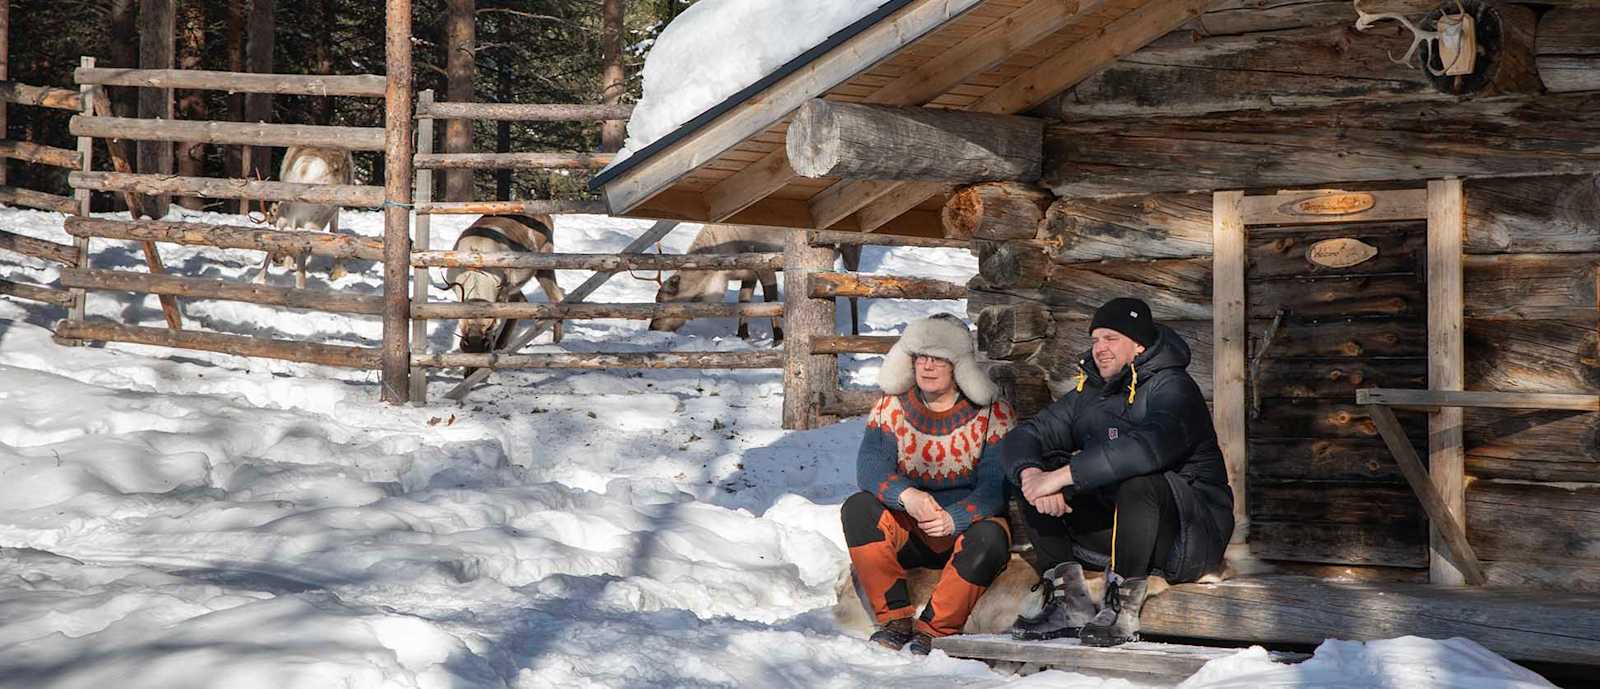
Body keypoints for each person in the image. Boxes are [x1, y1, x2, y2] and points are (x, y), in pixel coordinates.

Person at [999, 298, 1233, 647]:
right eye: (1095, 340)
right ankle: (1069, 604)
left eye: (1111, 338)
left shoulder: (1174, 388)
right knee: (1028, 473)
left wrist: (1062, 477)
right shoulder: (1090, 393)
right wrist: (1033, 475)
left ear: (1139, 344)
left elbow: (1146, 449)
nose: (1099, 349)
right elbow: (1026, 435)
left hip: (1189, 536)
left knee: (1139, 482)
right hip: (1120, 531)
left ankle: (1121, 609)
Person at [841, 313, 1017, 655]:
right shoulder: (889, 407)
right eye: (921, 357)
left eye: (939, 358)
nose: (928, 366)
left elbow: (995, 486)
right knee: (858, 508)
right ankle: (894, 620)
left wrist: (955, 518)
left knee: (992, 536)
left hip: (966, 533)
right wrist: (907, 495)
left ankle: (935, 629)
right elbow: (870, 468)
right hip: (910, 528)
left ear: (959, 365)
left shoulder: (994, 414)